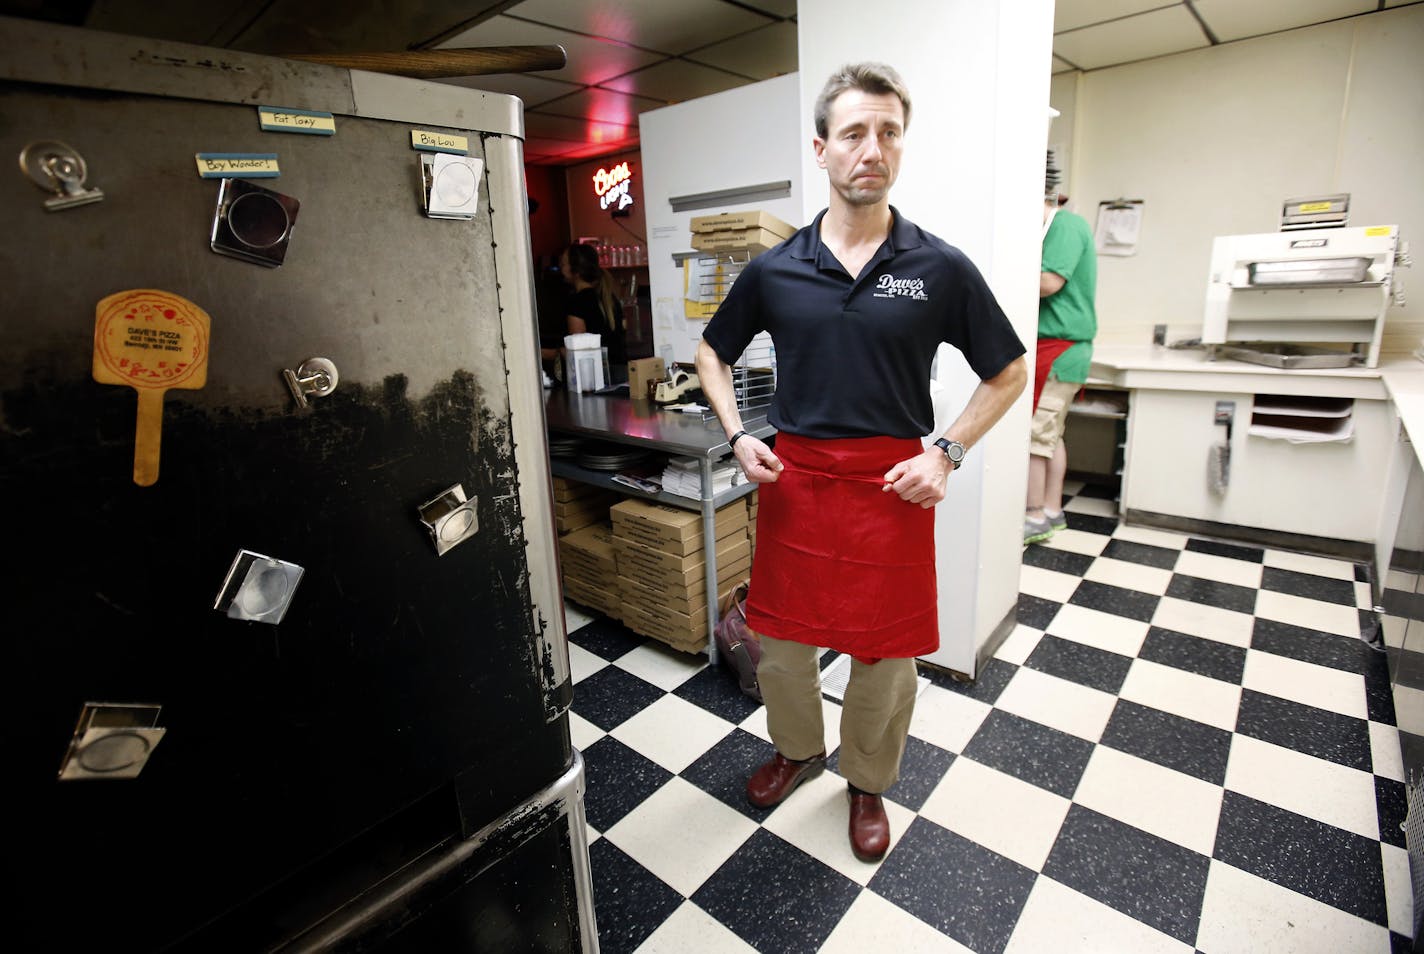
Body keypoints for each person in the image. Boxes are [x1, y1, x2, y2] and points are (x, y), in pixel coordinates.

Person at [694, 63, 1027, 863]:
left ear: (900, 147)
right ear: (823, 149)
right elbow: (712, 351)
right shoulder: (777, 268)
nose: (870, 148)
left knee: (886, 655)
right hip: (799, 485)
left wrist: (947, 451)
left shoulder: (937, 267)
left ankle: (868, 781)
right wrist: (741, 433)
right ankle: (798, 749)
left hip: (891, 488)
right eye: (853, 133)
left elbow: (1009, 371)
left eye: (887, 132)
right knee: (781, 646)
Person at [1023, 184, 1097, 545]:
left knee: (1036, 435)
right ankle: (1052, 509)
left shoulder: (1065, 225)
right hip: (1056, 347)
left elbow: (1049, 282)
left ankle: (1033, 515)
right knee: (1051, 434)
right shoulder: (1062, 226)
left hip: (1061, 347)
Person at [559, 241, 627, 374]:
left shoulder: (577, 302)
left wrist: (546, 353)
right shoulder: (610, 298)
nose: (560, 267)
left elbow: (579, 351)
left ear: (575, 270)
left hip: (596, 376)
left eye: (563, 263)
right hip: (620, 371)